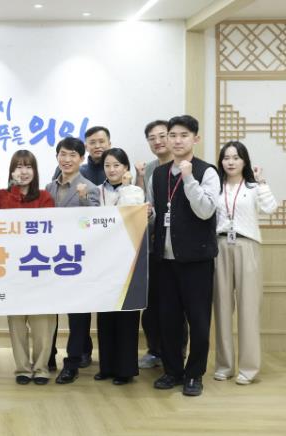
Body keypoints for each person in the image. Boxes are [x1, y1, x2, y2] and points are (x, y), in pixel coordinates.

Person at [148, 115, 219, 397]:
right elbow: (156, 213)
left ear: (195, 139)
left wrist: (188, 177)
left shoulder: (207, 172)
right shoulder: (158, 174)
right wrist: (147, 213)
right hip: (164, 260)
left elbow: (205, 210)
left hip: (196, 260)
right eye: (172, 135)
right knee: (168, 319)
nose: (176, 141)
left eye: (183, 135)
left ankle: (194, 375)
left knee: (198, 320)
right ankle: (173, 371)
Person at [213, 141, 277, 385]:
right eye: (226, 157)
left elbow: (270, 208)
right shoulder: (216, 187)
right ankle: (224, 365)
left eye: (236, 157)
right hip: (220, 246)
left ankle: (248, 369)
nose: (230, 162)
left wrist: (262, 182)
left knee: (248, 308)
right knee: (221, 307)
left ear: (244, 161)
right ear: (221, 161)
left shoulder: (253, 187)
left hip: (247, 245)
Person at [0, 150, 56, 385]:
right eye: (18, 167)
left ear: (35, 170)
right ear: (11, 171)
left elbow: (47, 229)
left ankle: (41, 367)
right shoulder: (1, 196)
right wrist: (14, 190)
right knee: (16, 321)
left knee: (42, 321)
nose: (23, 172)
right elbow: (5, 220)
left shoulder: (44, 197)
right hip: (11, 267)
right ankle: (22, 367)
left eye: (28, 166)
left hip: (39, 266)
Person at [46, 137, 100, 384]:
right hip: (50, 259)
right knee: (49, 311)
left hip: (78, 260)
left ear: (81, 159)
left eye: (72, 155)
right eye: (63, 154)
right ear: (57, 156)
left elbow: (95, 224)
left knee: (78, 315)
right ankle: (48, 356)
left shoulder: (90, 188)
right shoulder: (48, 187)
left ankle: (73, 363)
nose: (66, 160)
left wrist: (84, 199)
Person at [94, 148, 144, 385]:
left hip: (128, 259)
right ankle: (107, 366)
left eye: (116, 165)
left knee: (126, 315)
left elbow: (130, 213)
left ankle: (125, 369)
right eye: (107, 165)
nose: (111, 170)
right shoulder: (97, 191)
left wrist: (125, 187)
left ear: (125, 168)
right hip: (104, 260)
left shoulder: (134, 191)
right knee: (105, 313)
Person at [135, 120, 174, 369]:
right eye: (152, 138)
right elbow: (139, 204)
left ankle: (175, 353)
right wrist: (139, 178)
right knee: (150, 304)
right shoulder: (148, 169)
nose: (157, 141)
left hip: (176, 248)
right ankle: (154, 350)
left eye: (162, 135)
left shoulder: (185, 167)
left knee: (174, 305)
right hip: (150, 246)